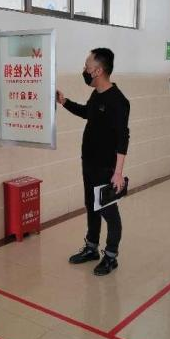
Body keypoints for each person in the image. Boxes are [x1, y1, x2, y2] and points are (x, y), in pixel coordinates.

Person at [56, 48, 130, 276]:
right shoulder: (97, 94)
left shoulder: (118, 101)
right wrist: (64, 102)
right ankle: (91, 248)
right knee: (91, 206)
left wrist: (118, 172)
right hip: (88, 162)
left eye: (87, 67)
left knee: (108, 211)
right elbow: (88, 113)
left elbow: (123, 138)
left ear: (98, 71)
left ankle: (111, 256)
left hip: (105, 167)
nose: (84, 70)